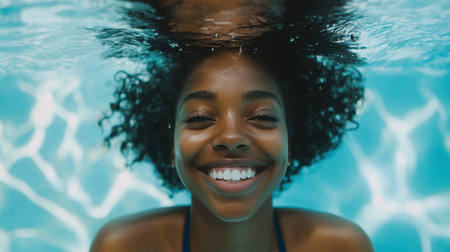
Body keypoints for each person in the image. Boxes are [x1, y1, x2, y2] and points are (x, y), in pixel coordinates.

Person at [91, 0, 374, 251]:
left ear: (291, 141)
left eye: (262, 117)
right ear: (171, 146)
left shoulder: (341, 246)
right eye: (200, 118)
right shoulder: (121, 246)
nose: (231, 136)